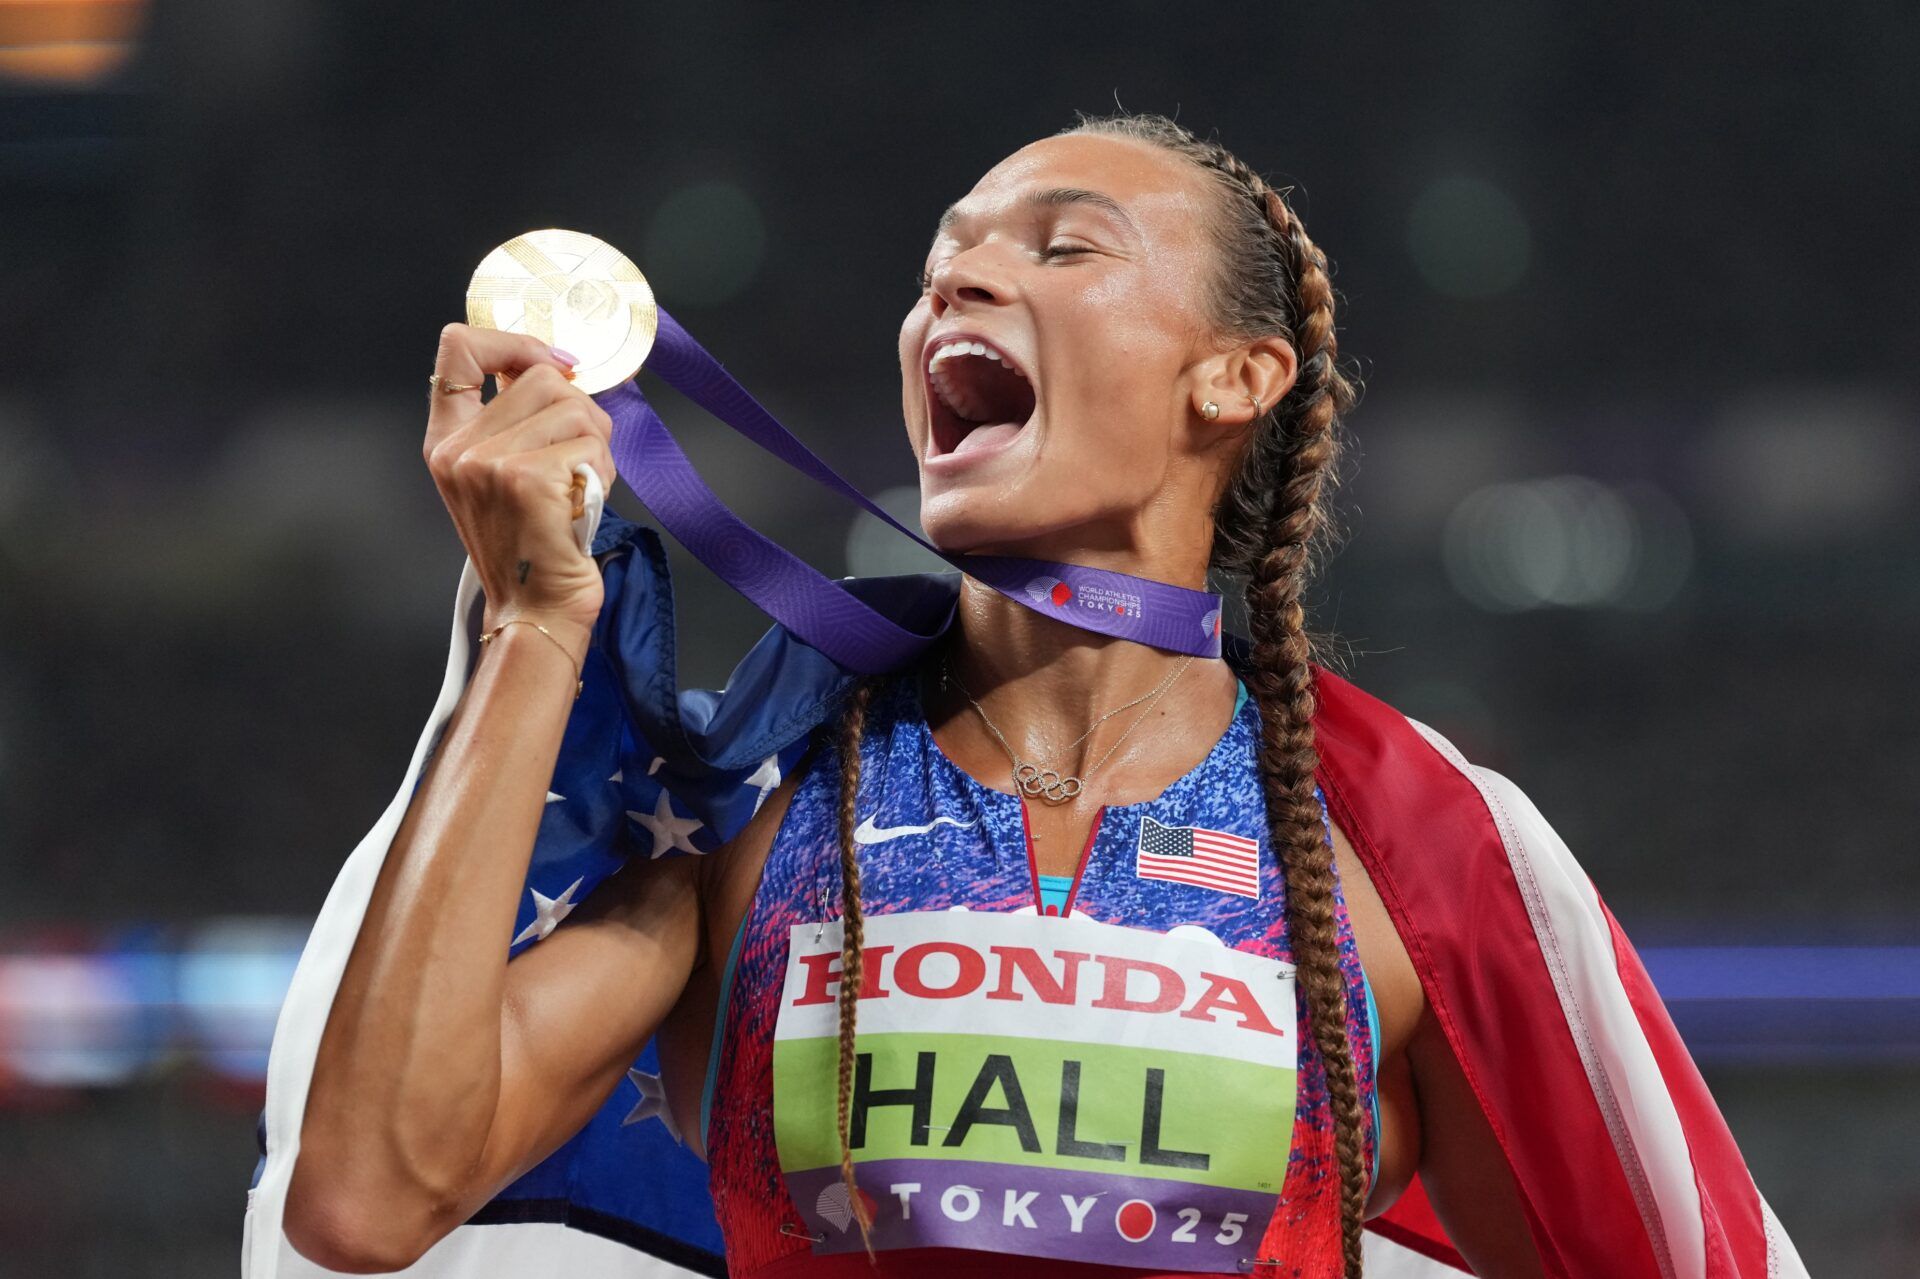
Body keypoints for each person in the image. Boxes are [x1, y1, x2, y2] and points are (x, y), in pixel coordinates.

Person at [266, 113, 1801, 1279]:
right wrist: (537, 624)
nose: (961, 281)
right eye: (942, 263)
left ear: (1237, 377)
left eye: (1062, 248)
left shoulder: (1411, 856)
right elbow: (367, 1191)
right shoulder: (759, 804)